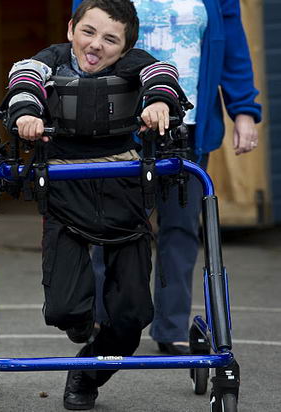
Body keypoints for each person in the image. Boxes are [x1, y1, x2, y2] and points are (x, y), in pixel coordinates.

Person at [0, 0, 189, 409]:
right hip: (66, 190)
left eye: (110, 39)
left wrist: (159, 102)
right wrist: (27, 112)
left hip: (123, 191)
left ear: (123, 48)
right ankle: (80, 325)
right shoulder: (51, 59)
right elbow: (25, 75)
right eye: (88, 31)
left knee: (132, 317)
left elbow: (162, 74)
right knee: (65, 311)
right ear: (71, 28)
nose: (96, 45)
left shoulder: (135, 63)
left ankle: (87, 373)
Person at [91, 0, 262, 356]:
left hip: (189, 126)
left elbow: (232, 47)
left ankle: (171, 326)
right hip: (119, 125)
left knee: (181, 230)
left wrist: (243, 110)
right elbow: (84, 37)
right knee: (108, 225)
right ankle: (103, 320)